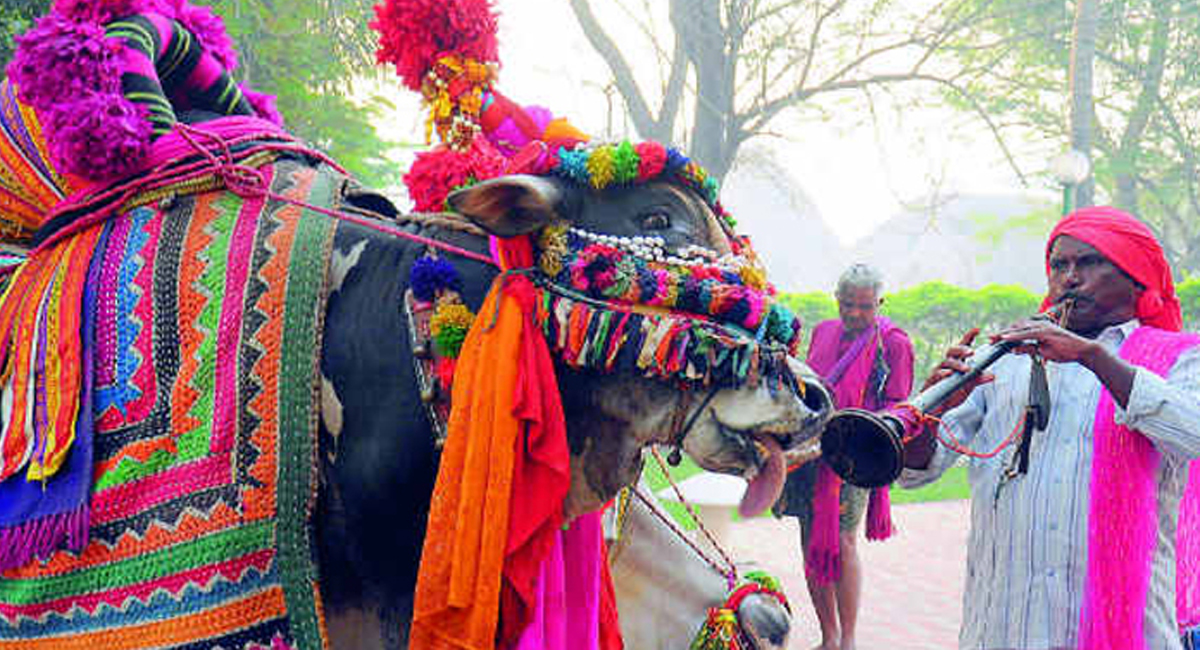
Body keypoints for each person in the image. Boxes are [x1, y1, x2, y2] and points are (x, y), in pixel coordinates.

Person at [901, 206, 1200, 650]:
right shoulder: (1004, 359)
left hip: (1132, 635)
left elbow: (1191, 433)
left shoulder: (1180, 356)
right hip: (1002, 628)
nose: (1069, 278)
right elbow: (915, 472)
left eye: (1090, 262)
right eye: (1059, 265)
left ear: (1135, 275)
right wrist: (929, 416)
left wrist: (1092, 356)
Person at [777, 262, 914, 650]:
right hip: (811, 449)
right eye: (848, 304)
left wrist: (867, 425)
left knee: (843, 539)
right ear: (836, 299)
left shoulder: (894, 343)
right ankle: (829, 636)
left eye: (865, 307)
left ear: (879, 304)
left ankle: (849, 639)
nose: (855, 314)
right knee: (809, 537)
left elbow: (899, 405)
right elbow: (807, 387)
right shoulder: (823, 331)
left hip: (855, 456)